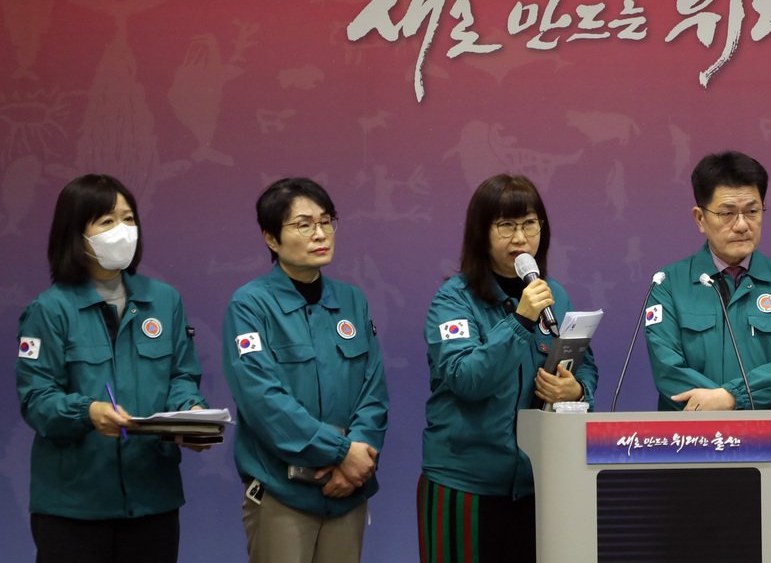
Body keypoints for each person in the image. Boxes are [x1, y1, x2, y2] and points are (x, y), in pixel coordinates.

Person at [15, 174, 207, 563]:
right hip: (73, 507)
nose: (123, 230)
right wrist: (87, 412)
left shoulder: (164, 300)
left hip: (153, 499)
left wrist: (190, 412)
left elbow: (181, 376)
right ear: (76, 234)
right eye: (107, 221)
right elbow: (36, 399)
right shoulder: (49, 309)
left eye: (129, 219)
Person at [418, 174, 597, 563]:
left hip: (538, 485)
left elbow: (583, 364)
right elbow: (466, 379)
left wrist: (577, 390)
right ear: (481, 233)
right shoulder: (453, 301)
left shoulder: (555, 295)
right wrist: (519, 321)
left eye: (529, 224)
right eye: (506, 226)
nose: (520, 238)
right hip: (466, 485)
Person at [222, 177, 388, 563]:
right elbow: (263, 401)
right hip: (283, 493)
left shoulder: (353, 300)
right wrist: (342, 452)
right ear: (271, 238)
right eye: (303, 224)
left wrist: (356, 461)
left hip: (348, 491)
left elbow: (373, 391)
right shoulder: (250, 305)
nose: (320, 233)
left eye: (326, 221)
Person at [644, 151, 771, 412]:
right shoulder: (667, 285)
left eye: (752, 211)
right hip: (692, 432)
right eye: (727, 213)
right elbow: (668, 370)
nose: (742, 225)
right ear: (700, 219)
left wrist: (732, 398)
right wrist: (721, 403)